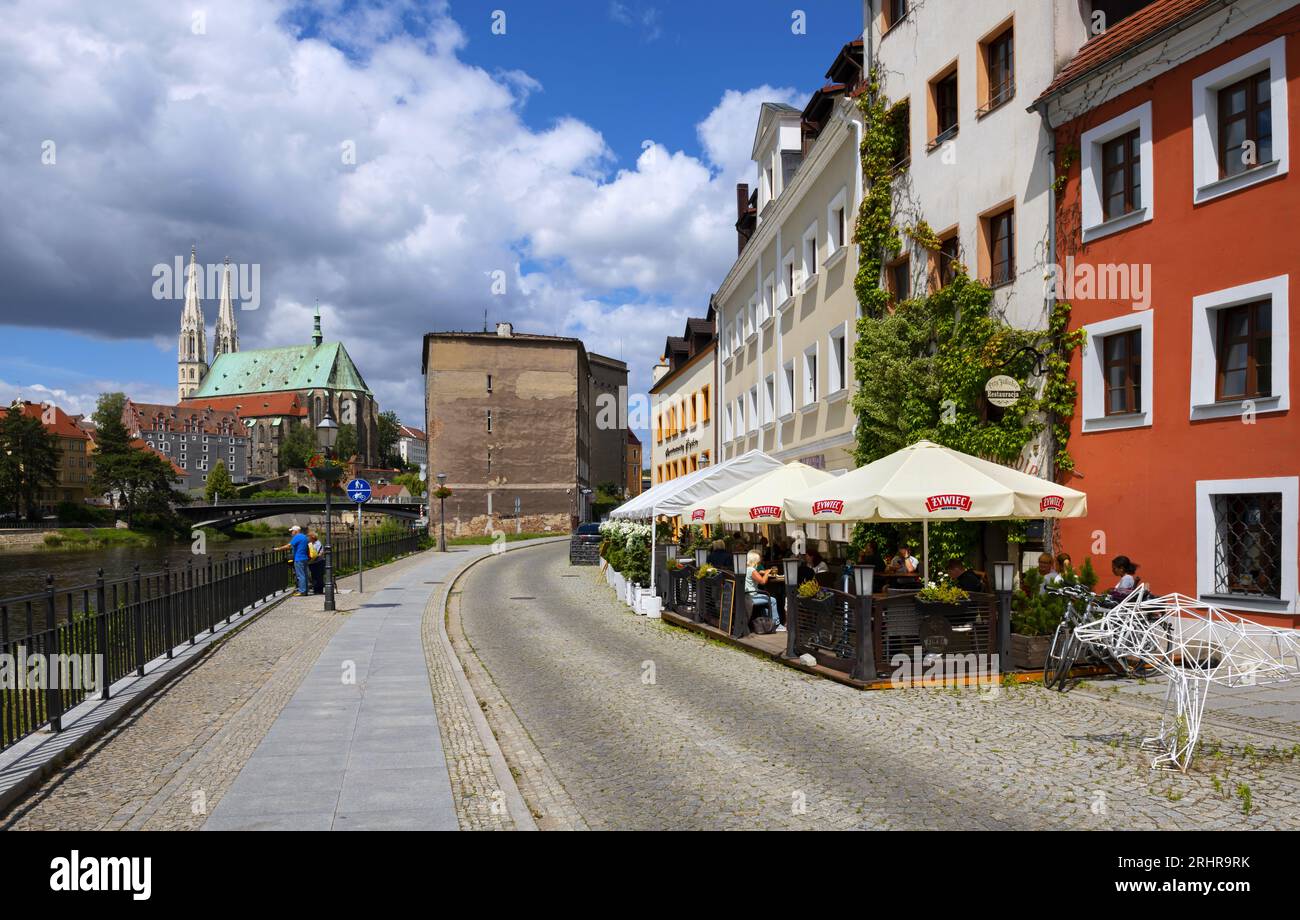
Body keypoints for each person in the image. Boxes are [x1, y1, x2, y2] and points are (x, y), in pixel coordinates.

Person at [745, 550, 785, 633]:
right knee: (772, 600)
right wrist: (767, 573)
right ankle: (776, 624)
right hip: (752, 597)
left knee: (767, 598)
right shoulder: (752, 570)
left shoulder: (746, 568)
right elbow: (762, 582)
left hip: (747, 595)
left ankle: (767, 622)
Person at [275, 525, 311, 596]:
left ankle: (302, 591)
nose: (291, 533)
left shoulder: (297, 537)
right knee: (305, 575)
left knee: (300, 575)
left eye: (292, 531)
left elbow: (288, 546)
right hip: (305, 558)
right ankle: (305, 590)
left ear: (296, 531)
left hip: (299, 558)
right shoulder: (304, 537)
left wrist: (278, 549)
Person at [307, 530, 325, 595]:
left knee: (317, 577)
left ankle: (318, 590)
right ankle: (317, 590)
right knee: (316, 577)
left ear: (312, 537)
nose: (308, 538)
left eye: (309, 537)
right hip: (315, 562)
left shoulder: (317, 544)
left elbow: (316, 553)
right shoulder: (313, 543)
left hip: (317, 562)